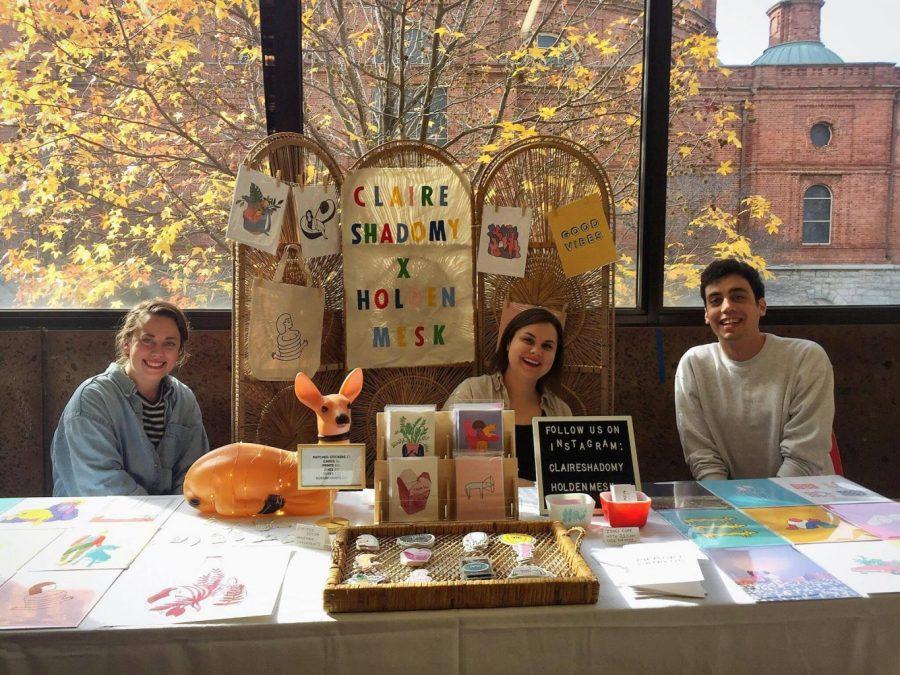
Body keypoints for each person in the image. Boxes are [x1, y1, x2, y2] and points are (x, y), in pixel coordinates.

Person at [674, 259, 835, 480]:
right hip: (732, 503)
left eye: (738, 297)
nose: (727, 307)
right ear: (706, 313)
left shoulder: (806, 358)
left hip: (807, 501)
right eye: (715, 300)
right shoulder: (693, 364)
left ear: (761, 306)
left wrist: (765, 511)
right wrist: (730, 508)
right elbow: (703, 459)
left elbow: (803, 458)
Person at [51, 299, 210, 496]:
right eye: (147, 340)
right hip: (96, 521)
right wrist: (162, 517)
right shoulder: (93, 398)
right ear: (127, 343)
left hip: (170, 521)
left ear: (179, 352)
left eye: (169, 343)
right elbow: (101, 484)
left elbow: (194, 475)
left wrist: (180, 516)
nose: (157, 352)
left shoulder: (184, 399)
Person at [444, 307, 571, 481]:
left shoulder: (561, 412)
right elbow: (444, 461)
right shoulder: (472, 394)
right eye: (528, 340)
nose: (536, 351)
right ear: (508, 342)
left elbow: (565, 481)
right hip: (484, 506)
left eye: (547, 346)